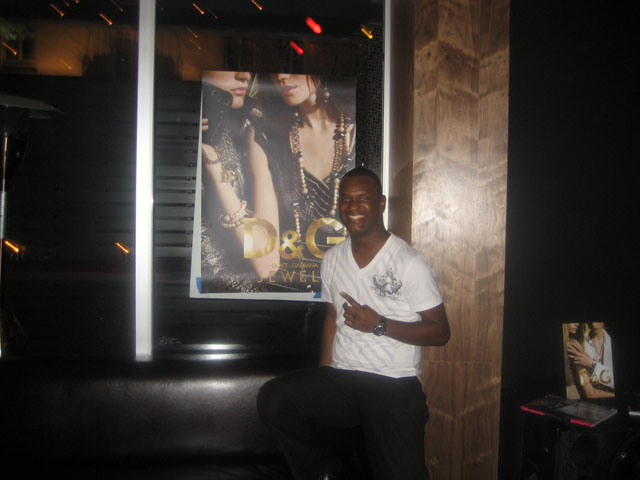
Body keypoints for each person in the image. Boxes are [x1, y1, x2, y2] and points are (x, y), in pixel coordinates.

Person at [257, 167, 450, 480]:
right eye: (346, 199)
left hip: (392, 383)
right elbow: (332, 317)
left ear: (381, 203)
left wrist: (380, 324)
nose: (353, 206)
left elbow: (440, 332)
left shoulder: (409, 263)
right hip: (343, 378)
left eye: (363, 198)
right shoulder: (333, 259)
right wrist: (324, 372)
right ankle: (323, 472)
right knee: (275, 399)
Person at [249, 74, 356, 291]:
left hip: (352, 291)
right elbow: (263, 264)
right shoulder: (263, 136)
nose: (281, 76)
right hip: (290, 289)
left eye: (294, 66)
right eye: (276, 68)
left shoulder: (362, 133)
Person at [199, 70, 278, 292]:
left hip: (242, 293)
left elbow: (266, 263)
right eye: (229, 67)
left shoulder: (250, 128)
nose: (245, 75)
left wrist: (213, 164)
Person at [566, 322, 614, 398]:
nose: (593, 324)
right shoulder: (579, 345)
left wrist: (592, 364)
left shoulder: (611, 339)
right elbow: (589, 393)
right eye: (590, 321)